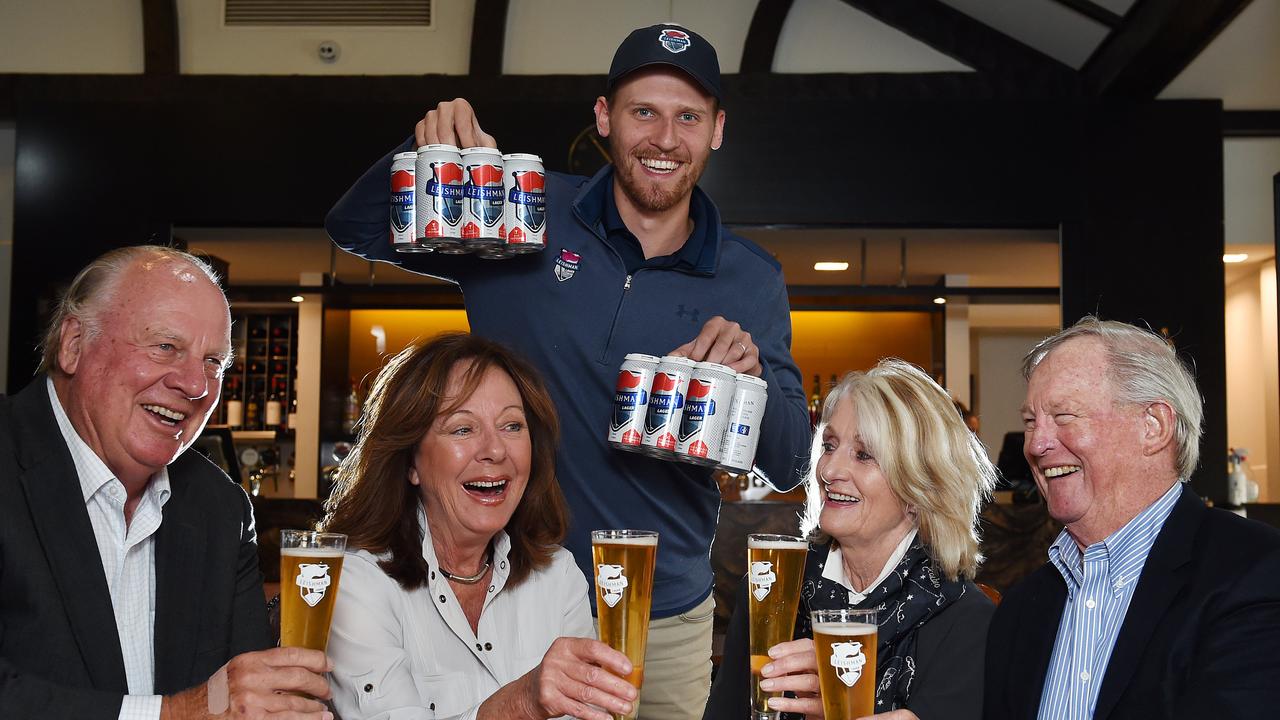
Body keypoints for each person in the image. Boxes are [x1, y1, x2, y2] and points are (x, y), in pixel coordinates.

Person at [325, 23, 810, 715]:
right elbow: (356, 230)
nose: (665, 138)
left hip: (659, 615)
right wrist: (425, 152)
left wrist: (749, 379)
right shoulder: (527, 212)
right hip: (511, 599)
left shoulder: (751, 278)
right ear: (605, 118)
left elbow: (791, 461)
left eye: (688, 118)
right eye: (644, 111)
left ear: (717, 130)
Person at [0, 246, 332, 719]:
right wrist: (174, 713)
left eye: (215, 362)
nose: (196, 386)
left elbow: (239, 699)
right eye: (165, 347)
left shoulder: (221, 508)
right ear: (73, 344)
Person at [321, 333, 636, 720]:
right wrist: (520, 703)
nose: (495, 450)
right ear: (411, 462)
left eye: (512, 426)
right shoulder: (354, 581)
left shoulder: (558, 574)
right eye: (462, 429)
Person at [984, 317, 1280, 719]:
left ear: (1153, 427)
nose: (1036, 444)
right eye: (1031, 422)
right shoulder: (1021, 609)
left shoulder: (1255, 574)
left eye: (1064, 416)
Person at [705, 358, 998, 720]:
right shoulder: (772, 588)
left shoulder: (963, 617)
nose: (828, 470)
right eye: (829, 446)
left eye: (863, 455)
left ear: (919, 485)